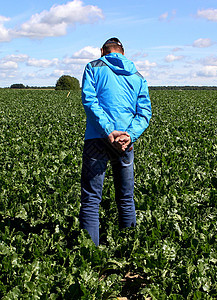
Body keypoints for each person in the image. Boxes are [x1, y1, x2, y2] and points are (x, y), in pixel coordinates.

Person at [79, 37, 152, 246]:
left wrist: (109, 131)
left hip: (97, 138)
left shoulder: (93, 68)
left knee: (92, 200)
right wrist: (129, 135)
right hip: (125, 143)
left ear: (103, 50)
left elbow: (89, 100)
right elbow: (145, 113)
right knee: (126, 198)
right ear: (123, 52)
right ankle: (129, 249)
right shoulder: (138, 77)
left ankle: (90, 254)